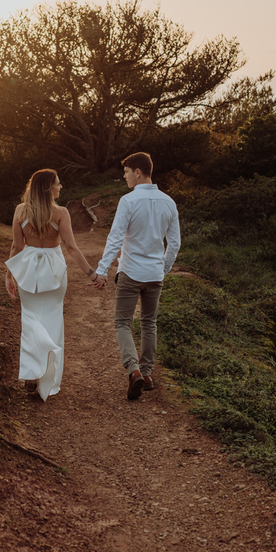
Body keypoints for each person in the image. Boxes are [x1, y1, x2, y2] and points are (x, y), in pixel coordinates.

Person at [5, 169, 104, 401]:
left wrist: (9, 275)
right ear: (49, 188)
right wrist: (92, 274)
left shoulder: (21, 211)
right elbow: (71, 247)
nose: (61, 187)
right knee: (52, 323)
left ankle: (32, 373)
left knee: (30, 322)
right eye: (58, 184)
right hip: (53, 271)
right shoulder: (60, 213)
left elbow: (17, 247)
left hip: (28, 270)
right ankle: (44, 377)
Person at [94, 152, 180, 401]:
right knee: (149, 322)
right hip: (155, 274)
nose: (124, 176)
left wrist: (102, 269)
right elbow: (174, 244)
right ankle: (147, 372)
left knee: (122, 323)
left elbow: (115, 237)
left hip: (131, 272)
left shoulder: (128, 201)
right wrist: (162, 269)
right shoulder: (169, 202)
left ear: (138, 172)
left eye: (126, 172)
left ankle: (133, 371)